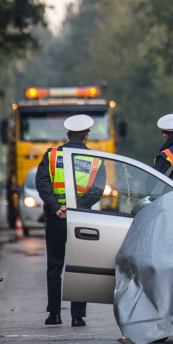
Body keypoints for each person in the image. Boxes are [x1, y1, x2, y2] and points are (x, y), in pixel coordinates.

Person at [35, 114, 108, 327]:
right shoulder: (96, 160)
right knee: (79, 266)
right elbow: (97, 191)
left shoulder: (51, 155)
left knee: (54, 266)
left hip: (56, 218)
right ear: (86, 136)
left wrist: (57, 207)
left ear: (68, 135)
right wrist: (78, 208)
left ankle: (54, 314)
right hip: (81, 219)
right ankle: (77, 316)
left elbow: (42, 183)